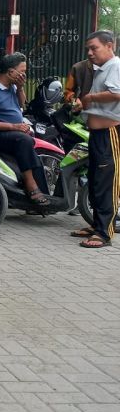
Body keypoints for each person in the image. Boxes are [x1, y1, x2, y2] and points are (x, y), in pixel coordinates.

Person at [0, 53, 49, 206]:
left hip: (13, 132)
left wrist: (20, 88)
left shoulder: (13, 85)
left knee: (32, 144)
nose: (24, 75)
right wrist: (13, 126)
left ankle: (42, 192)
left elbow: (22, 104)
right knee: (24, 140)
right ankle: (30, 185)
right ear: (10, 72)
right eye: (22, 71)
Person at [72, 30, 120, 249]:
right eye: (88, 49)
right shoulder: (102, 69)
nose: (90, 53)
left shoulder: (115, 65)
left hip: (110, 133)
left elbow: (117, 93)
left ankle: (104, 233)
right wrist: (82, 105)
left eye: (94, 48)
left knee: (105, 183)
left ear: (110, 46)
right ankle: (96, 225)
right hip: (97, 134)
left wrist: (89, 97)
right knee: (94, 180)